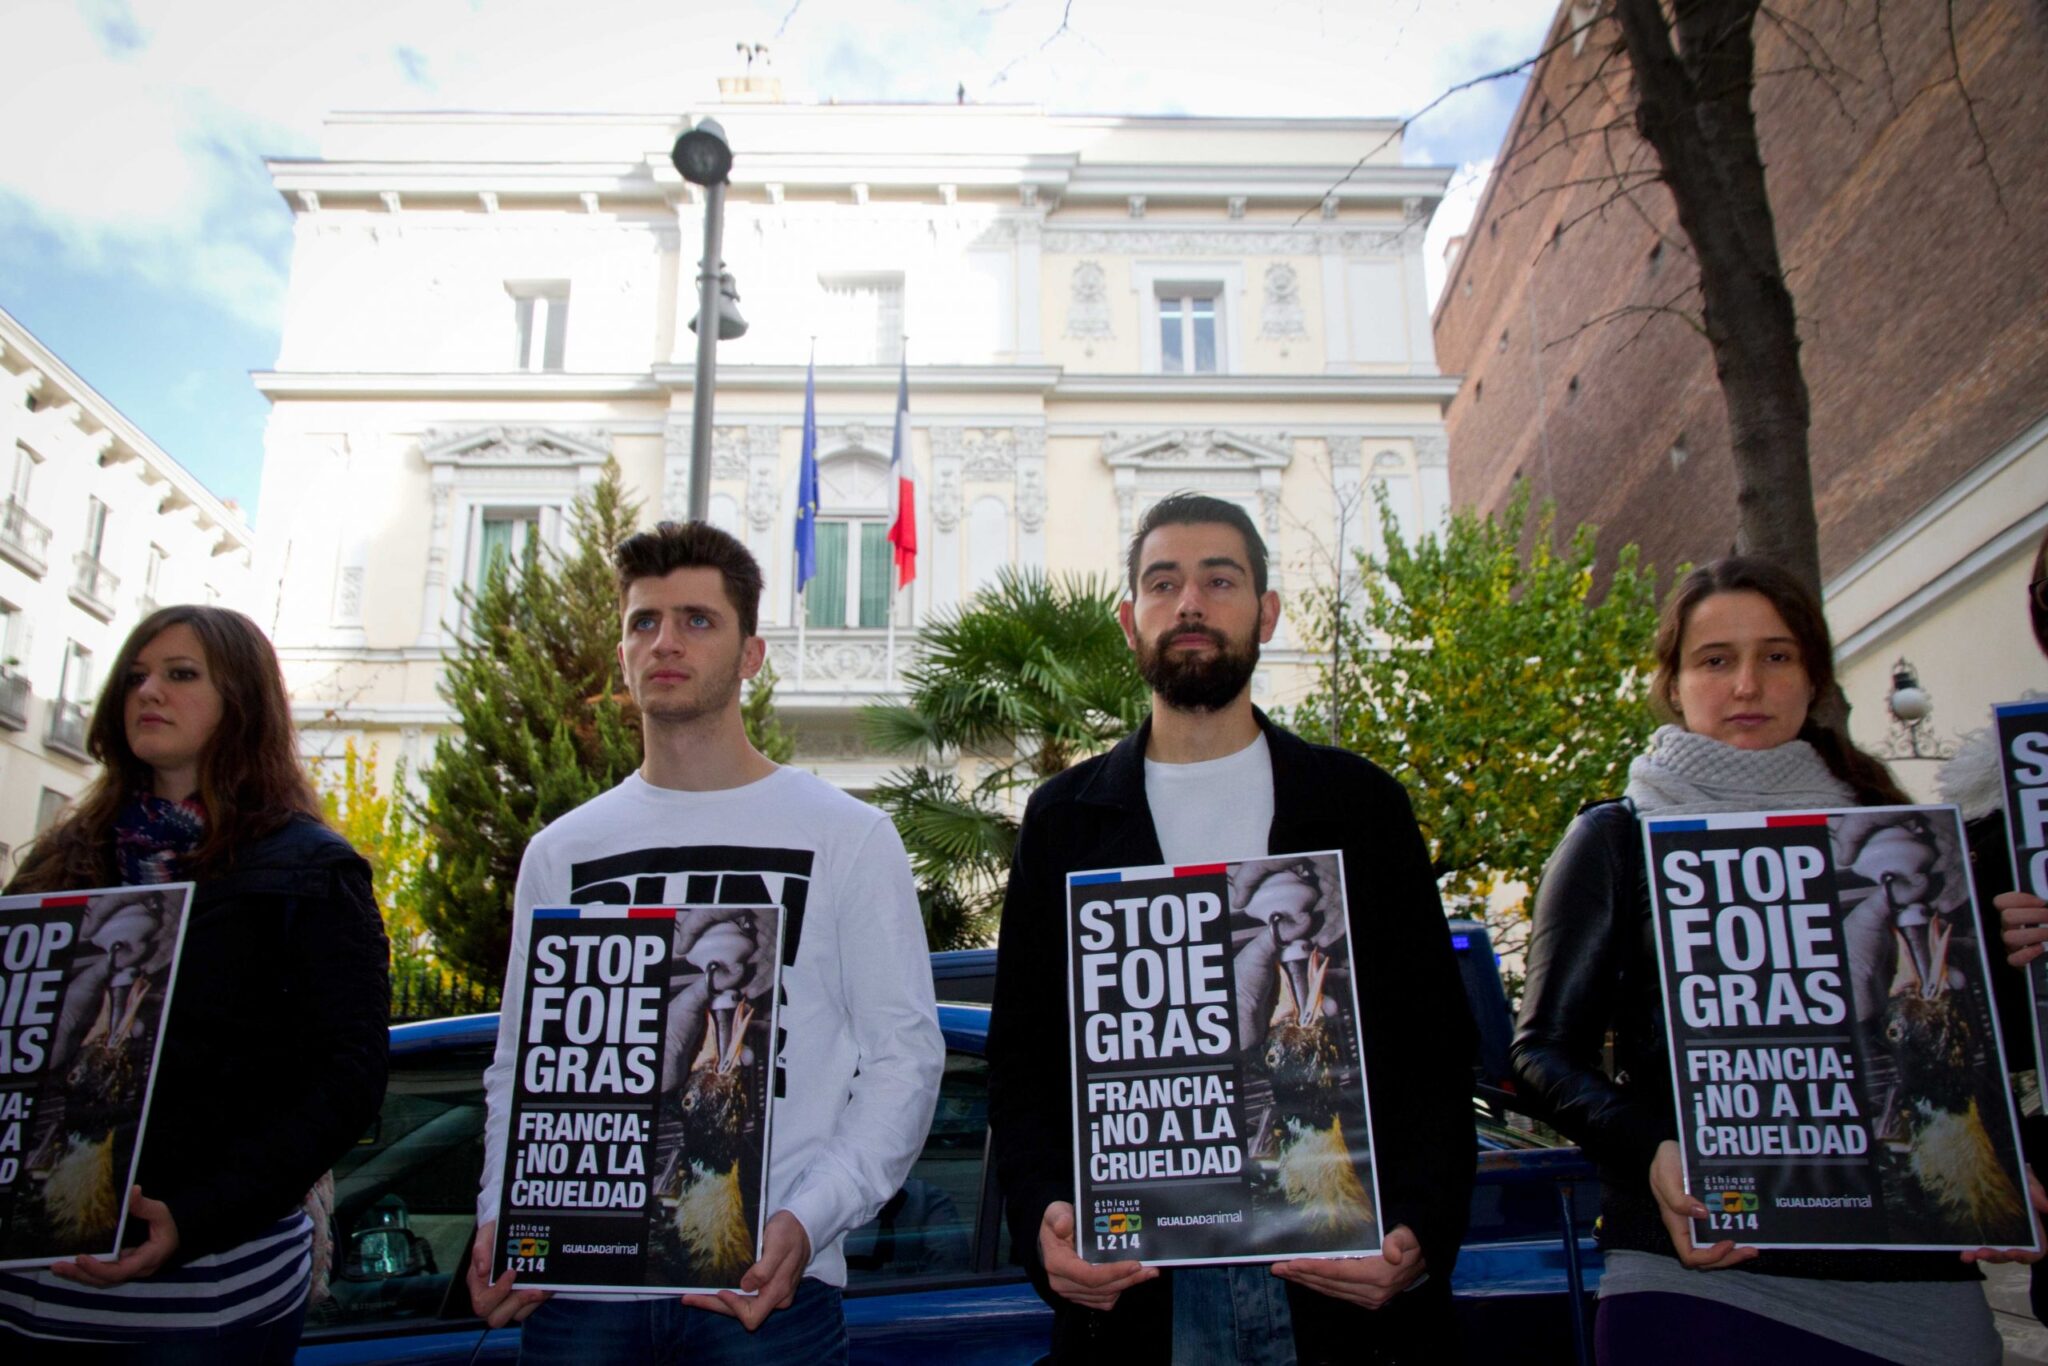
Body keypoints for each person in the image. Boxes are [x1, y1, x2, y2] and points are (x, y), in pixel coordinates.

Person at [1512, 557, 2044, 1366]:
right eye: (1716, 660)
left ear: (1813, 675)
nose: (1747, 685)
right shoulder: (1616, 840)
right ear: (1673, 682)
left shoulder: (1909, 837)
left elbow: (1964, 1044)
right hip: (1696, 1274)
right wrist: (1653, 1149)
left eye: (1777, 655)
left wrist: (2015, 962)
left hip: (1915, 1282)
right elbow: (1542, 1054)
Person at [987, 493, 1476, 1365]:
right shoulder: (1063, 820)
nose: (1190, 603)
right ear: (1128, 618)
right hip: (1142, 1299)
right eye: (1162, 582)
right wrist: (1042, 1226)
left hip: (1335, 1284)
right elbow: (1023, 1064)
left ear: (1268, 611)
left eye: (1220, 578)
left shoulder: (1360, 806)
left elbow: (1437, 1044)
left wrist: (1420, 1230)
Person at [466, 521, 943, 1364]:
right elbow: (519, 1061)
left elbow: (904, 1057)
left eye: (696, 620)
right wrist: (501, 1210)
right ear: (621, 654)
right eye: (643, 623)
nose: (664, 642)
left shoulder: (849, 837)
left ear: (751, 654)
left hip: (764, 1288)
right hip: (579, 1289)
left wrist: (810, 1217)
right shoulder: (563, 851)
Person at [0, 606, 391, 1362]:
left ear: (241, 703)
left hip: (211, 1289)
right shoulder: (58, 861)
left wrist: (198, 1214)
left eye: (181, 676)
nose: (149, 692)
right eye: (137, 676)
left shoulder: (309, 871)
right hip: (32, 1291)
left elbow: (347, 1080)